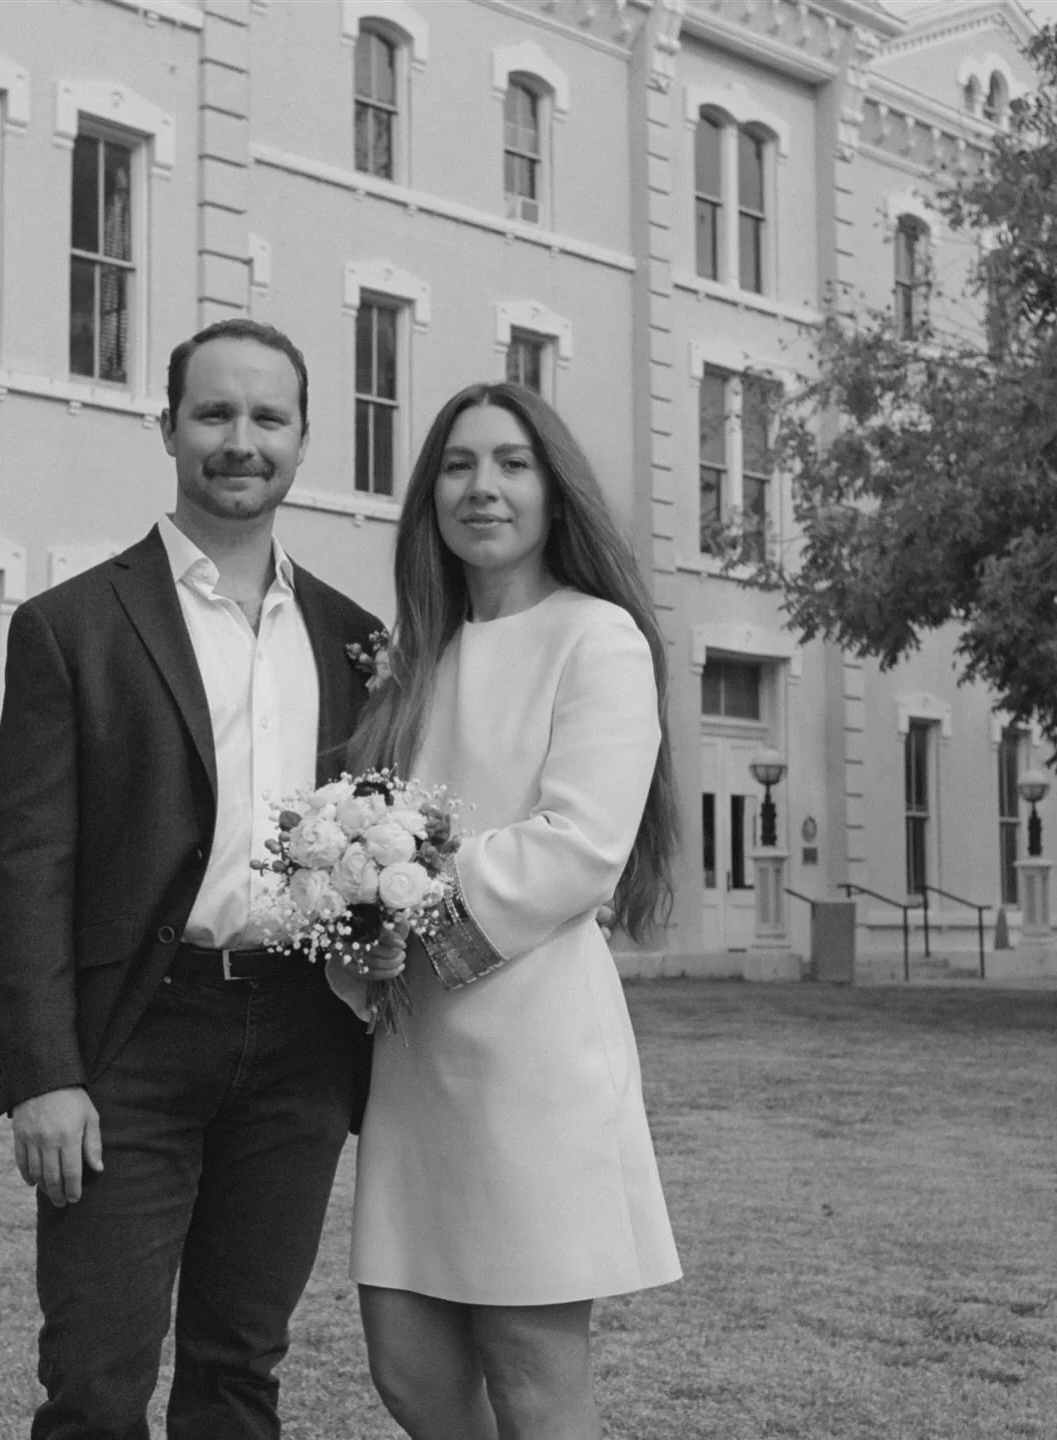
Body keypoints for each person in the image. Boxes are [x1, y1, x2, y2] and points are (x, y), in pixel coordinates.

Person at [0, 317, 400, 1440]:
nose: (240, 440)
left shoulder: (356, 640)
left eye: (268, 417)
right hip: (132, 1045)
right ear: (168, 428)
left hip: (301, 1045)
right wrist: (43, 1075)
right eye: (214, 413)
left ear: (305, 439)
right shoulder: (71, 627)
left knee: (238, 1376)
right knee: (96, 1384)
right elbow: (26, 868)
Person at [344, 381, 683, 1440]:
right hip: (416, 1061)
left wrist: (397, 915)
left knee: (533, 1376)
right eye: (456, 465)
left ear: (554, 491)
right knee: (408, 1366)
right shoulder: (416, 656)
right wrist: (344, 906)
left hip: (533, 1050)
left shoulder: (599, 638)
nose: (480, 487)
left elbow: (578, 849)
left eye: (510, 463)